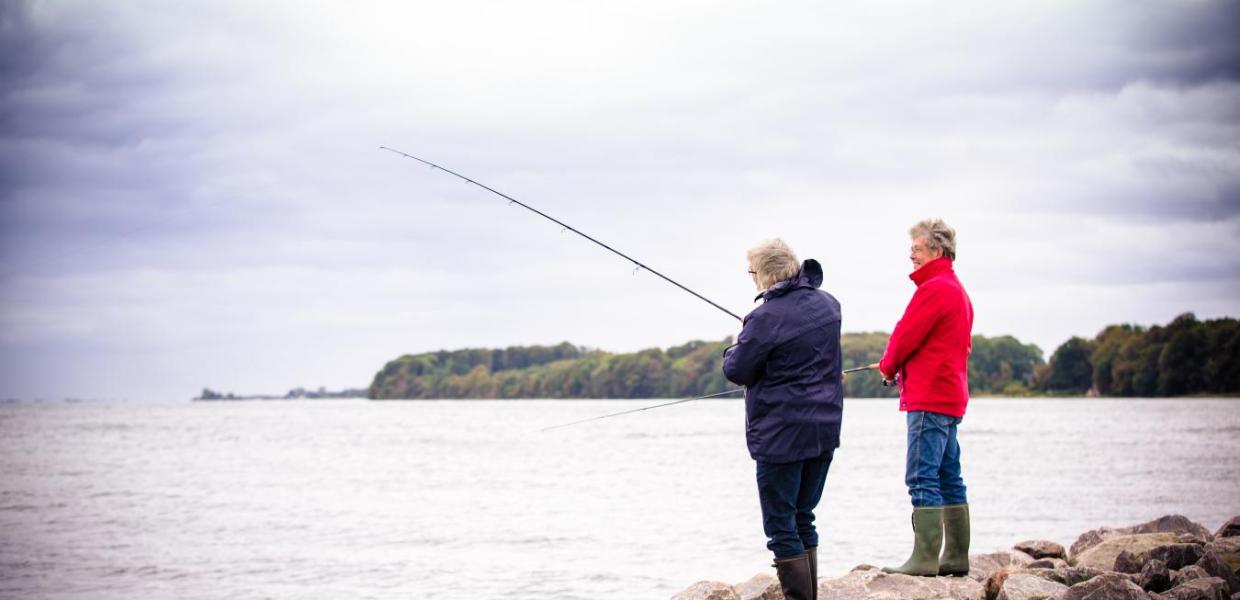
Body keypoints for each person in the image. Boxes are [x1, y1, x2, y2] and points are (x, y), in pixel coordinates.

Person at [723, 238, 843, 600]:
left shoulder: (764, 318)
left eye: (751, 272)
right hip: (823, 428)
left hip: (782, 434)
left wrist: (737, 340)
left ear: (764, 273)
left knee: (781, 523)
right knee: (803, 514)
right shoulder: (829, 305)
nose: (751, 279)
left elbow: (738, 369)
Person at [873, 218, 974, 577]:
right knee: (949, 475)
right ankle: (956, 557)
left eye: (916, 248)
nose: (911, 255)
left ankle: (925, 559)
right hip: (949, 397)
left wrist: (888, 366)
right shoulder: (957, 289)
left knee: (921, 477)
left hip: (929, 398)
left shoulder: (934, 289)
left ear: (936, 251)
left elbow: (904, 336)